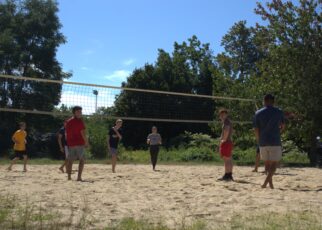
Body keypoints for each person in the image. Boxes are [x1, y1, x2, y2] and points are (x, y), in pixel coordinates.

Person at [254, 94, 285, 189]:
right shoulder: (279, 112)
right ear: (273, 101)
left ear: (264, 101)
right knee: (274, 164)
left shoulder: (258, 113)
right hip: (275, 140)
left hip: (263, 140)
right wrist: (279, 132)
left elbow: (256, 129)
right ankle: (266, 183)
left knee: (267, 164)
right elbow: (283, 126)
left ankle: (270, 184)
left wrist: (258, 139)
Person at [65, 106, 88, 181]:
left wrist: (68, 141)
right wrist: (86, 142)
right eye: (78, 112)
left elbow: (66, 133)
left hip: (71, 143)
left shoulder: (68, 121)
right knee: (82, 160)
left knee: (70, 160)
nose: (80, 113)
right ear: (74, 112)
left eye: (80, 112)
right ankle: (79, 177)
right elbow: (83, 133)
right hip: (79, 143)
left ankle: (69, 177)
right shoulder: (79, 121)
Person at [218, 109, 234, 181]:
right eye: (221, 114)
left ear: (226, 115)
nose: (222, 115)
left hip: (226, 142)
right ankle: (229, 175)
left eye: (224, 114)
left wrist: (223, 140)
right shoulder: (228, 121)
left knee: (226, 159)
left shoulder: (226, 122)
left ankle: (227, 175)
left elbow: (226, 131)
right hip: (229, 142)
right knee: (229, 159)